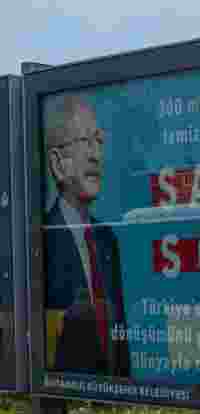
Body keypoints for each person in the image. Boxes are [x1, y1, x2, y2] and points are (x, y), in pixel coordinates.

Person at [43, 94, 129, 376]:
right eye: (85, 142)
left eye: (99, 141)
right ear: (58, 163)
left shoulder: (106, 239)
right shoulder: (41, 239)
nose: (95, 154)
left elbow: (119, 335)